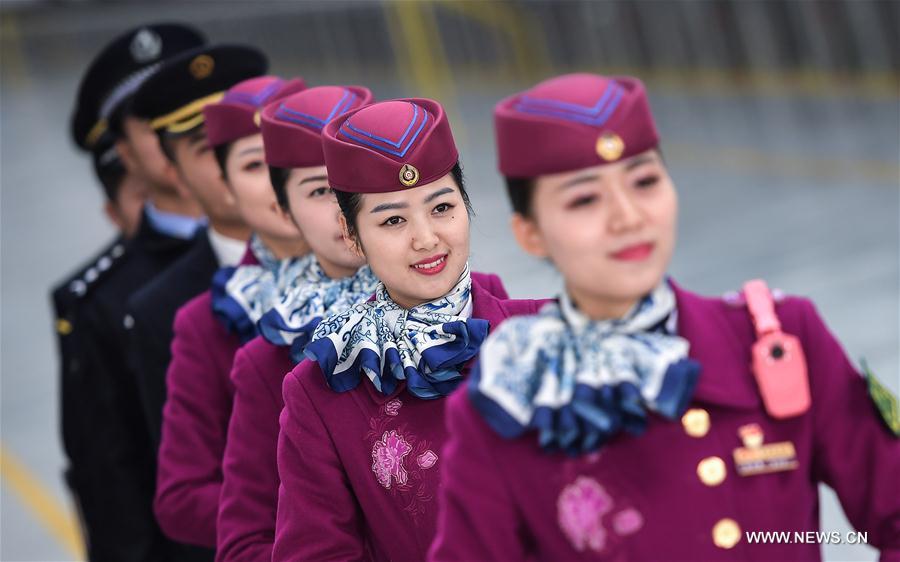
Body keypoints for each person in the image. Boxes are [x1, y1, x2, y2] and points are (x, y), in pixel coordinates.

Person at [428, 73, 900, 561]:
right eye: (585, 199)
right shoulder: (510, 400)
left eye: (645, 181)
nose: (628, 216)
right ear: (530, 235)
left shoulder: (780, 339)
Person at [271, 98, 539, 562]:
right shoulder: (323, 393)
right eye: (393, 220)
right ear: (351, 234)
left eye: (441, 207)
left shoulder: (550, 333)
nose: (426, 238)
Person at [61, 23, 212, 562]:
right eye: (155, 119)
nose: (182, 127)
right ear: (124, 151)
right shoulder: (106, 301)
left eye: (199, 107)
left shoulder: (302, 239)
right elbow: (112, 478)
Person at [151, 73, 308, 551]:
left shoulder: (405, 278)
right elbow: (180, 497)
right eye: (257, 164)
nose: (281, 182)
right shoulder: (205, 323)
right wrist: (306, 520)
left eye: (299, 155)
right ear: (225, 185)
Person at [124, 43, 269, 447]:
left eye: (252, 137)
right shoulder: (162, 313)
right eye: (209, 149)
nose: (234, 162)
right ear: (175, 175)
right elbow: (186, 478)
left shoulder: (352, 250)